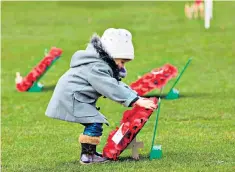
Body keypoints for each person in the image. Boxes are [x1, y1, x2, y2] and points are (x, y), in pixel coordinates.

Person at [45, 28, 157, 164]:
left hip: (74, 96)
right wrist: (136, 100)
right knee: (94, 122)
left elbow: (115, 84)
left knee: (94, 122)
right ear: (112, 55)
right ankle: (87, 156)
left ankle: (89, 153)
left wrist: (136, 97)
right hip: (72, 97)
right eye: (121, 62)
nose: (122, 66)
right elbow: (110, 86)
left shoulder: (99, 64)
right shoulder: (96, 67)